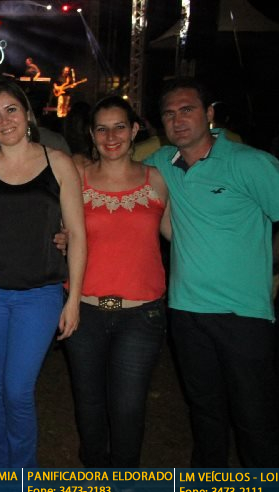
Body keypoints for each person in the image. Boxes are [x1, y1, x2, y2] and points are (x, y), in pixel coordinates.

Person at [146, 78, 279, 467]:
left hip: (243, 314)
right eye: (169, 114)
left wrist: (268, 264)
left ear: (209, 114)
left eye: (187, 110)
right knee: (205, 415)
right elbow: (117, 175)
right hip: (187, 312)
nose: (178, 120)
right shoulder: (163, 164)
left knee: (254, 419)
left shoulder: (251, 163)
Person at [0, 79, 86, 468]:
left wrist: (73, 299)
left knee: (17, 391)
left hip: (39, 295)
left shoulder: (59, 163)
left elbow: (78, 235)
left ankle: (21, 482)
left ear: (28, 113)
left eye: (11, 110)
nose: (4, 121)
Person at [64, 95, 168, 468]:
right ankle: (95, 478)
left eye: (119, 127)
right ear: (92, 134)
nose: (111, 137)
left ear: (135, 130)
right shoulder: (76, 178)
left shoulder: (156, 180)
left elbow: (180, 234)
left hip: (141, 316)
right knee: (89, 403)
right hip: (84, 311)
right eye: (102, 129)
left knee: (128, 407)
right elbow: (59, 229)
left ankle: (124, 485)